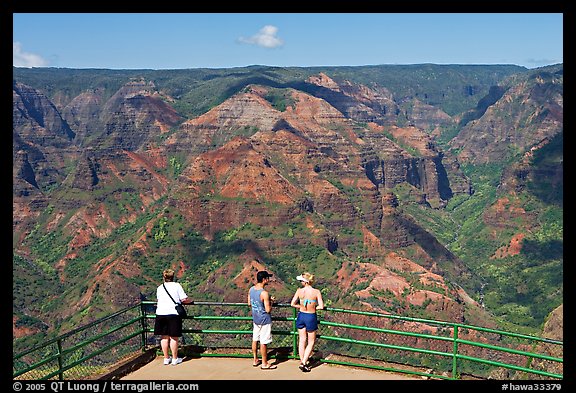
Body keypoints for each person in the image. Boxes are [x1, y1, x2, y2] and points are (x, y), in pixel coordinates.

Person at [154, 268, 193, 366]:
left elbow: (159, 299)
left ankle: (166, 358)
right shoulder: (177, 286)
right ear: (173, 277)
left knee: (164, 337)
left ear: (164, 277)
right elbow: (184, 299)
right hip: (173, 314)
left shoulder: (160, 287)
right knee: (174, 337)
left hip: (160, 313)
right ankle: (175, 359)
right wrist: (191, 301)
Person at [290, 272, 324, 372]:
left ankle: (303, 361)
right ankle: (304, 362)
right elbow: (321, 306)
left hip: (301, 315)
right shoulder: (316, 292)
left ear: (305, 282)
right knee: (311, 341)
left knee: (302, 340)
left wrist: (300, 306)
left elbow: (292, 304)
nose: (300, 282)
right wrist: (314, 307)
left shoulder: (299, 291)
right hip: (310, 316)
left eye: (301, 280)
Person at [248, 270, 277, 370]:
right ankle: (265, 363)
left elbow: (249, 303)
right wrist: (271, 301)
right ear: (264, 280)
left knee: (255, 339)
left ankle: (255, 359)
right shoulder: (264, 293)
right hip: (264, 319)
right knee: (263, 342)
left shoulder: (251, 289)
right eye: (267, 278)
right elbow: (268, 310)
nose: (268, 280)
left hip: (255, 319)